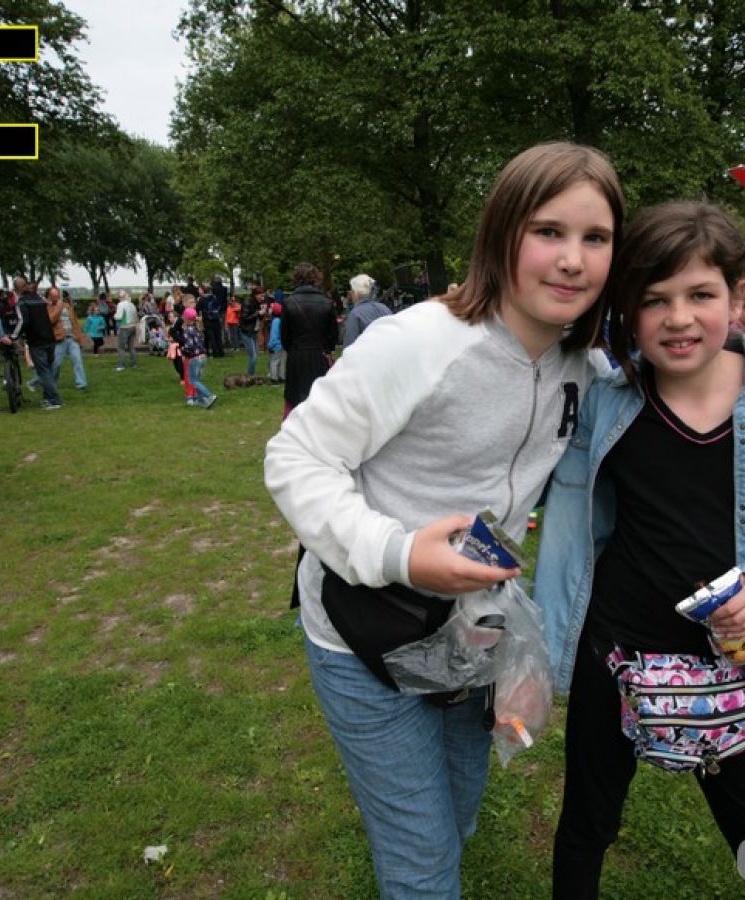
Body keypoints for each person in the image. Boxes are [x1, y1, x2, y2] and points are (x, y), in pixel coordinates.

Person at [263, 141, 622, 899]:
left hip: (472, 638)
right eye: (549, 231)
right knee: (423, 867)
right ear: (502, 234)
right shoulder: (418, 342)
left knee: (456, 820)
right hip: (364, 634)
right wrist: (399, 554)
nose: (572, 259)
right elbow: (295, 457)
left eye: (595, 238)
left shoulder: (585, 370)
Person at [534, 201, 745, 898]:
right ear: (627, 309)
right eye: (654, 300)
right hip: (612, 650)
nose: (678, 318)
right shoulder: (604, 398)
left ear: (737, 299)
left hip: (727, 659)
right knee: (587, 818)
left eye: (700, 295)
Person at [279, 263, 339, 418]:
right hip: (320, 355)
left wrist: (293, 349)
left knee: (296, 397)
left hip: (297, 356)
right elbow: (333, 335)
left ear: (296, 279)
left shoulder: (289, 303)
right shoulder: (326, 303)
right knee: (320, 397)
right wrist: (327, 349)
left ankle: (297, 427)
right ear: (316, 279)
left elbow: (284, 336)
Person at [4, 277, 62, 410]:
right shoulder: (40, 299)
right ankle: (48, 397)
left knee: (43, 371)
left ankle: (53, 399)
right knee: (49, 368)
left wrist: (13, 336)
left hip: (36, 339)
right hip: (49, 337)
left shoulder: (22, 303)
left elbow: (22, 321)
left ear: (15, 289)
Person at [40, 288, 86, 390]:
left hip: (72, 338)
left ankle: (81, 384)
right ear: (49, 297)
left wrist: (79, 337)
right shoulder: (47, 307)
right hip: (59, 339)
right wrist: (58, 307)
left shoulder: (67, 306)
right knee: (56, 364)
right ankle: (51, 383)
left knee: (78, 360)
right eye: (54, 296)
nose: (57, 297)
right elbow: (51, 320)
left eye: (58, 295)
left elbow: (74, 322)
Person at [176, 307, 216, 409]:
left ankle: (209, 396)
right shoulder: (197, 328)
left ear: (186, 318)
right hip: (203, 357)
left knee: (193, 381)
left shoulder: (187, 331)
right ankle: (202, 400)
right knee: (197, 380)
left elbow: (189, 346)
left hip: (194, 358)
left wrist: (182, 349)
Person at [342, 273, 392, 348]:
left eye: (351, 290)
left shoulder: (355, 314)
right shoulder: (385, 308)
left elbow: (349, 344)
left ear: (355, 293)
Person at [114, 290, 139, 370]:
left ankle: (121, 365)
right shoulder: (132, 304)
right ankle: (134, 364)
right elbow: (136, 316)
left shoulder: (120, 304)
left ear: (120, 297)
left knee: (121, 347)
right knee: (131, 347)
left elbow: (119, 317)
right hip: (133, 327)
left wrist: (114, 316)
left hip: (124, 327)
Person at [266, 303, 285, 385]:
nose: (269, 310)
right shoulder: (282, 320)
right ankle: (282, 377)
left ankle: (274, 379)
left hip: (276, 345)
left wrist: (270, 345)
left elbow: (274, 335)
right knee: (281, 362)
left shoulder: (275, 321)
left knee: (274, 362)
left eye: (271, 309)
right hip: (282, 345)